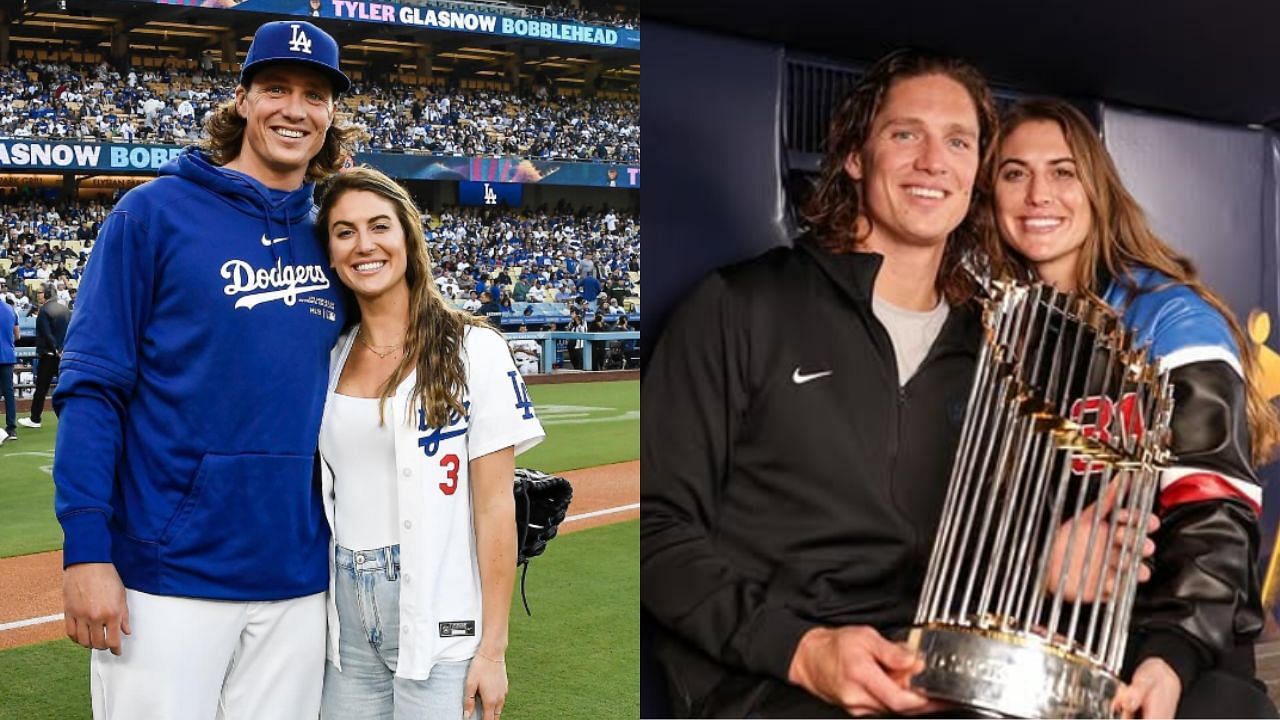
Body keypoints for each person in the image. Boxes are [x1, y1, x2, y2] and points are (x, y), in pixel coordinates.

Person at [641, 49, 1002, 718]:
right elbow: (654, 528)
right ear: (857, 155)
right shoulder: (739, 305)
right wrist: (802, 650)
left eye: (958, 141)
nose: (933, 160)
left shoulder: (991, 347)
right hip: (769, 681)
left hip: (937, 681)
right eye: (905, 134)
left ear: (977, 173)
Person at [52, 20, 358, 720]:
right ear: (243, 100)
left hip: (298, 579)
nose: (294, 108)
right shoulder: (153, 214)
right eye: (276, 87)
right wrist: (86, 551)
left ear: (330, 114)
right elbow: (94, 390)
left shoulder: (334, 236)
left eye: (315, 95)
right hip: (165, 574)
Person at [989, 98, 1280, 720]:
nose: (1039, 193)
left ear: (1097, 189)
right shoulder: (995, 329)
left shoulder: (1169, 316)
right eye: (1015, 173)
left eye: (1063, 171)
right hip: (1042, 638)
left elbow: (1214, 508)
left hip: (1174, 648)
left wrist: (1169, 656)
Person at [314, 167, 544, 720]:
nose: (364, 245)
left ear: (407, 237)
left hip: (440, 612)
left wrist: (493, 649)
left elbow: (494, 508)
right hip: (343, 615)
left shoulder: (475, 346)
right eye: (344, 232)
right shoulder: (331, 353)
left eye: (378, 226)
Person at [17, 281, 70, 429]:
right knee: (66, 387)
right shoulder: (64, 308)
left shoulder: (45, 310)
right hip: (63, 353)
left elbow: (47, 334)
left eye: (40, 292)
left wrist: (55, 349)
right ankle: (70, 417)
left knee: (41, 388)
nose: (38, 295)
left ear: (46, 293)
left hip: (49, 354)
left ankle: (35, 418)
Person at [0, 294, 16, 443]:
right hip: (7, 355)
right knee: (9, 393)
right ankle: (11, 428)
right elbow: (17, 335)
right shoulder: (10, 309)